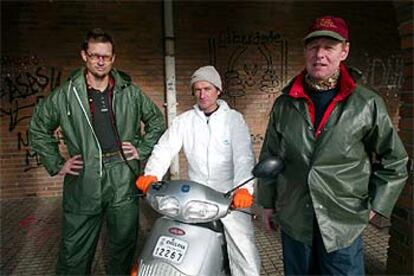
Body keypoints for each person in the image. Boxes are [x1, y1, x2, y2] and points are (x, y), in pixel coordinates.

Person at [258, 15, 408, 275]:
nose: (320, 55)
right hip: (295, 217)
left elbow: (394, 160)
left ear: (344, 51)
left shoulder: (366, 103)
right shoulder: (285, 104)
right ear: (305, 51)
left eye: (329, 47)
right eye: (314, 47)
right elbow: (270, 156)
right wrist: (267, 203)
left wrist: (375, 207)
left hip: (343, 222)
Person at [29, 28, 165, 275]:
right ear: (84, 56)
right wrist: (57, 163)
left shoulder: (129, 92)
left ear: (113, 58)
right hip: (85, 176)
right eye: (94, 55)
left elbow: (156, 121)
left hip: (123, 175)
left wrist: (142, 149)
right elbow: (38, 127)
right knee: (75, 247)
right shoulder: (66, 95)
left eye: (106, 56)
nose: (100, 61)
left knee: (123, 243)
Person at [136, 65, 261, 276]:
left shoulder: (233, 120)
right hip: (196, 195)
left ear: (218, 90)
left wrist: (245, 190)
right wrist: (152, 174)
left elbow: (243, 157)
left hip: (229, 195)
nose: (202, 94)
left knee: (243, 247)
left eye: (207, 88)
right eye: (198, 89)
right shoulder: (184, 121)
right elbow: (165, 148)